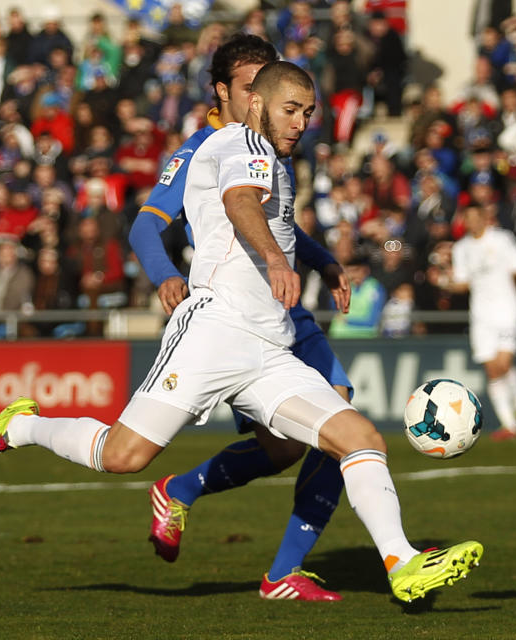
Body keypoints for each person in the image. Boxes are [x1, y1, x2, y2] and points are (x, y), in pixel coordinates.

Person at [0, 61, 483, 604]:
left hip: (269, 346)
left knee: (360, 439)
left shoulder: (274, 158)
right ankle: (22, 427)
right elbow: (238, 202)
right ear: (253, 103)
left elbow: (268, 214)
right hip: (214, 333)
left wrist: (319, 259)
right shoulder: (242, 145)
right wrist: (279, 263)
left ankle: (403, 564)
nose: (301, 122)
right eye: (290, 110)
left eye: (307, 112)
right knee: (121, 455)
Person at [128, 35, 353, 601]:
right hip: (230, 314)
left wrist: (322, 258)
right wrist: (164, 276)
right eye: (253, 85)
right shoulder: (203, 147)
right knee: (295, 444)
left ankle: (273, 564)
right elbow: (144, 226)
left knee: (321, 429)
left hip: (282, 304)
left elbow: (274, 220)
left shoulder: (272, 142)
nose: (265, 95)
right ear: (224, 91)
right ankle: (193, 499)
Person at [451, 205, 516, 440]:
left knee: (504, 362)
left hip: (507, 309)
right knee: (492, 369)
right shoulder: (461, 248)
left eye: (475, 217)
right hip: (481, 314)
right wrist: (443, 281)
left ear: (484, 218)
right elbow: (461, 283)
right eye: (467, 218)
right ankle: (510, 425)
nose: (472, 222)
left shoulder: (502, 239)